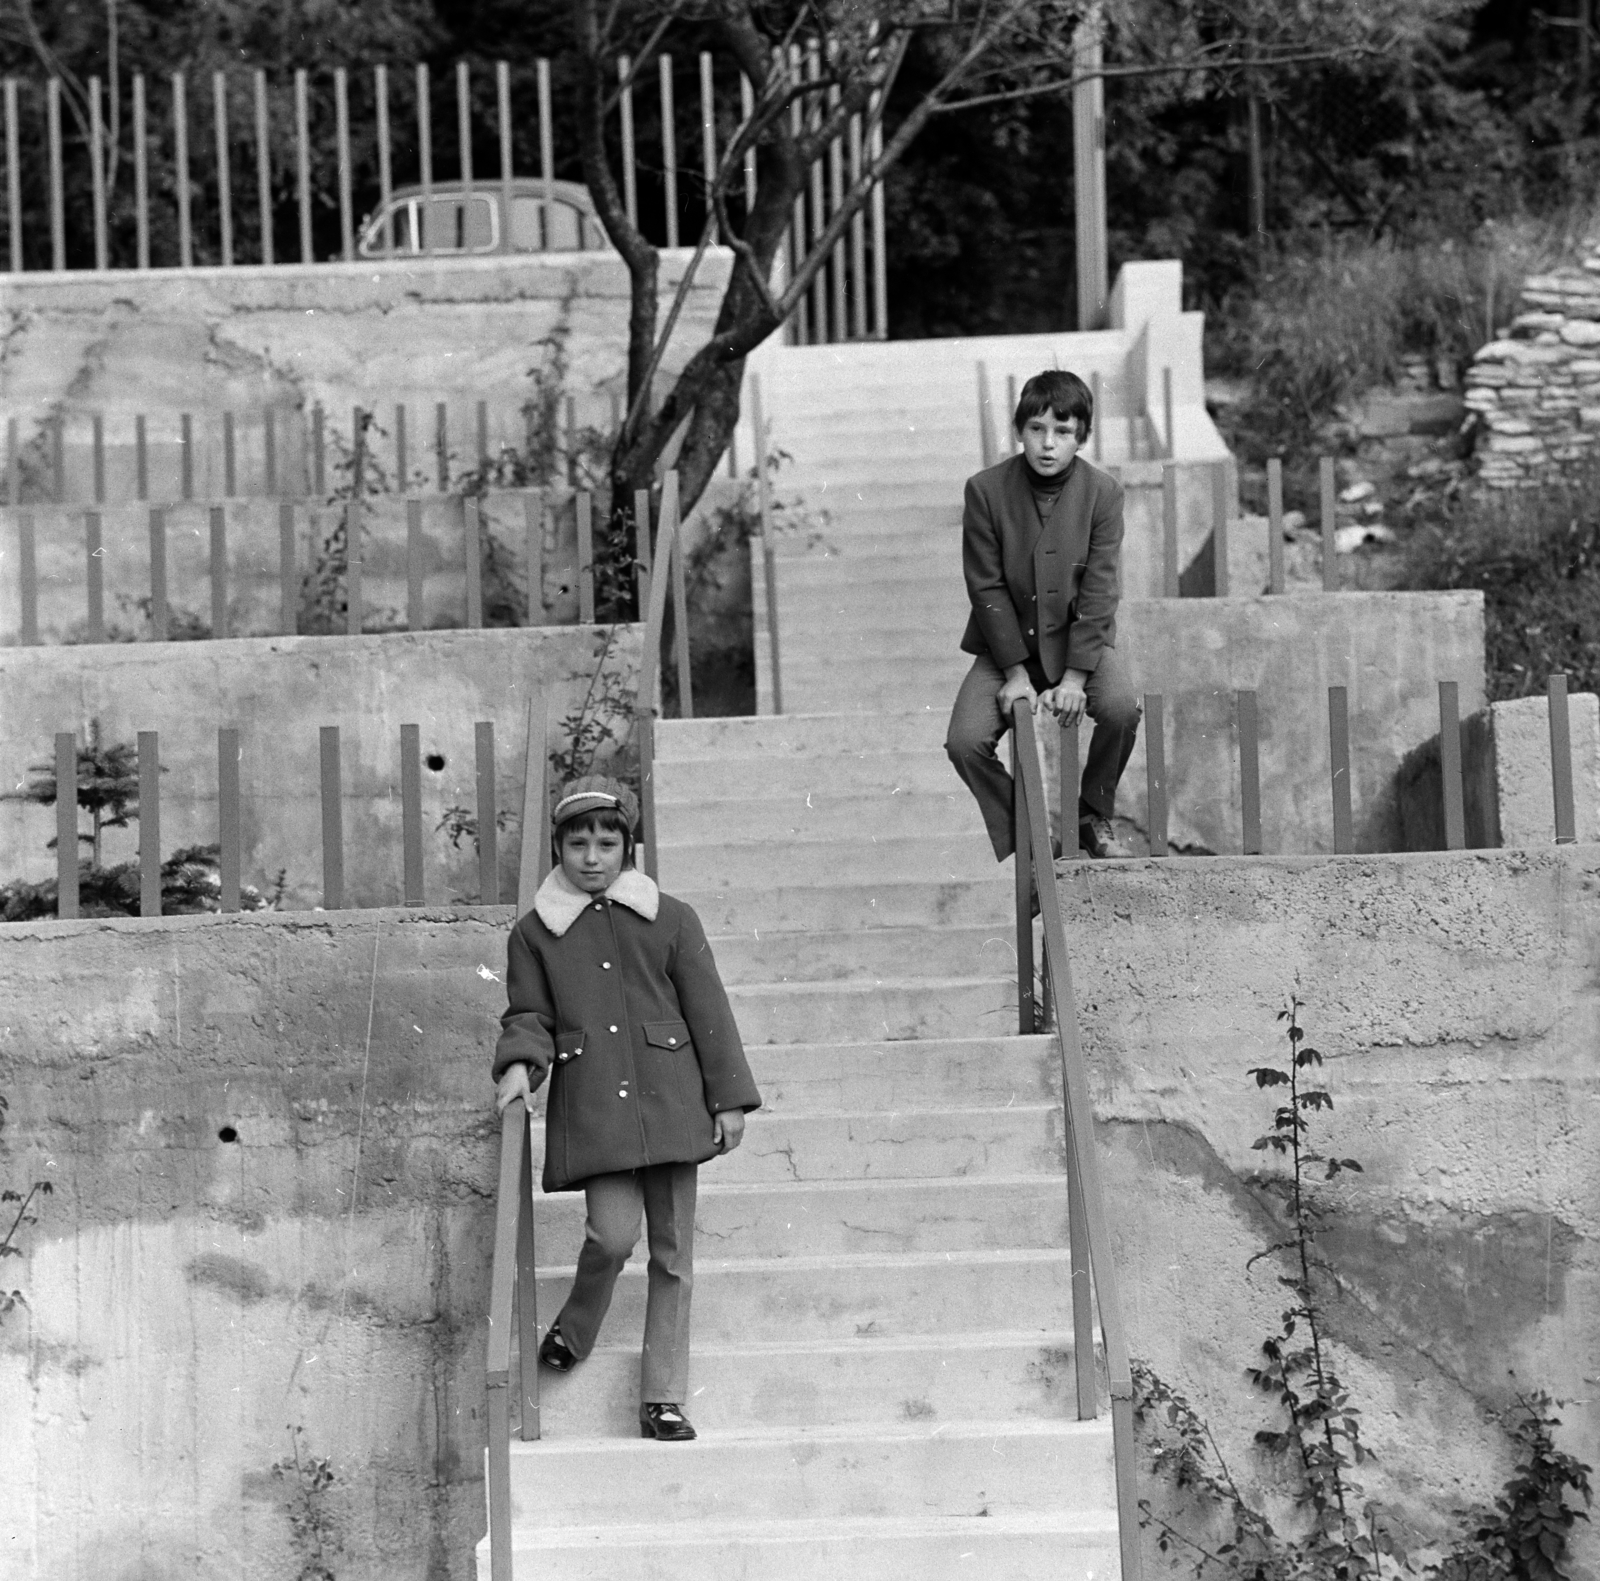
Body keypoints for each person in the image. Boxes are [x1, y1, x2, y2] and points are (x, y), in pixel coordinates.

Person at [492, 773, 761, 1442]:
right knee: (611, 1235)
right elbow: (529, 1012)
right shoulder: (534, 932)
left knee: (672, 1254)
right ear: (557, 847)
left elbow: (710, 1011)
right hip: (599, 1110)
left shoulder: (670, 917)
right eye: (577, 842)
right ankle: (577, 1325)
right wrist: (521, 1066)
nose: (591, 856)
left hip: (673, 1102)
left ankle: (663, 1396)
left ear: (628, 847)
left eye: (606, 842)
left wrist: (728, 1100)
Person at [945, 368, 1141, 864]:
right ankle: (1033, 843)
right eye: (1036, 429)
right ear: (1019, 430)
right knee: (965, 742)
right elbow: (985, 586)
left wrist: (1076, 677)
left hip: (1077, 644)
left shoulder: (1104, 493)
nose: (1047, 444)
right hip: (1006, 646)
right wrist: (1013, 673)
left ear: (1082, 437)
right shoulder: (985, 490)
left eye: (1063, 431)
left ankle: (1090, 815)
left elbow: (1100, 588)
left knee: (1120, 708)